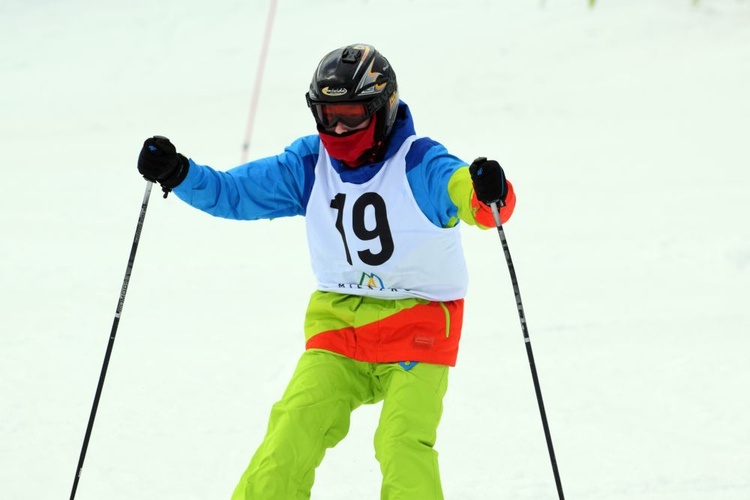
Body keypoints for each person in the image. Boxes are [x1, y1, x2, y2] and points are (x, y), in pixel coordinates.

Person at [137, 43, 515, 500]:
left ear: (383, 109)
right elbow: (234, 193)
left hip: (420, 325)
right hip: (340, 327)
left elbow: (470, 197)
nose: (336, 128)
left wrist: (488, 191)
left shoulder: (418, 162)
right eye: (326, 115)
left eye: (351, 115)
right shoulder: (310, 163)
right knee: (292, 426)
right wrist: (178, 173)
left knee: (400, 442)